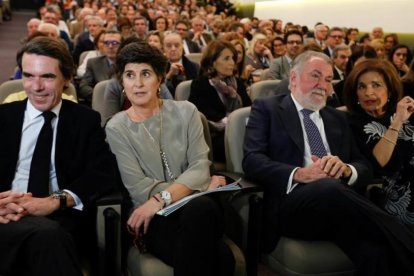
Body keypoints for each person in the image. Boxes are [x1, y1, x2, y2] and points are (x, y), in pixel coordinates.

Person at [242, 50, 414, 275]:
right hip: (294, 204)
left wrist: (347, 170)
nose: (322, 84)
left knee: (376, 252)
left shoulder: (337, 118)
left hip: (341, 208)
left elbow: (364, 165)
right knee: (329, 186)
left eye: (327, 79)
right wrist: (299, 174)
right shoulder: (268, 108)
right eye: (315, 76)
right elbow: (252, 160)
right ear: (293, 78)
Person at [105, 42, 236, 276]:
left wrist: (162, 196)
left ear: (160, 79)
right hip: (154, 218)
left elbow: (200, 165)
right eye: (129, 75)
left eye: (146, 73)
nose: (138, 83)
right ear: (122, 83)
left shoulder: (187, 111)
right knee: (221, 256)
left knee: (201, 209)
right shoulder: (116, 127)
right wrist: (198, 187)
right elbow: (139, 188)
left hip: (191, 210)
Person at [0, 37, 116, 275]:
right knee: (46, 239)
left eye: (48, 77)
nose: (36, 86)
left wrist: (54, 201)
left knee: (49, 236)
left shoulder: (85, 121)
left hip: (58, 219)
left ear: (67, 78)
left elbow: (103, 173)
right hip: (5, 219)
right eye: (29, 75)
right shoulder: (3, 117)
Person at [343, 58, 414, 229]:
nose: (369, 92)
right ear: (355, 93)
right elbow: (378, 164)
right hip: (389, 197)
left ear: (390, 90)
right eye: (362, 87)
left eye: (376, 85)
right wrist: (397, 122)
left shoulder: (407, 113)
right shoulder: (350, 123)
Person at [189, 40, 251, 162]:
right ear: (212, 62)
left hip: (241, 131)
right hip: (215, 137)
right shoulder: (200, 85)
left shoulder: (237, 83)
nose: (232, 63)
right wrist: (233, 123)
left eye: (233, 58)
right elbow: (202, 118)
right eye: (226, 59)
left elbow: (249, 109)